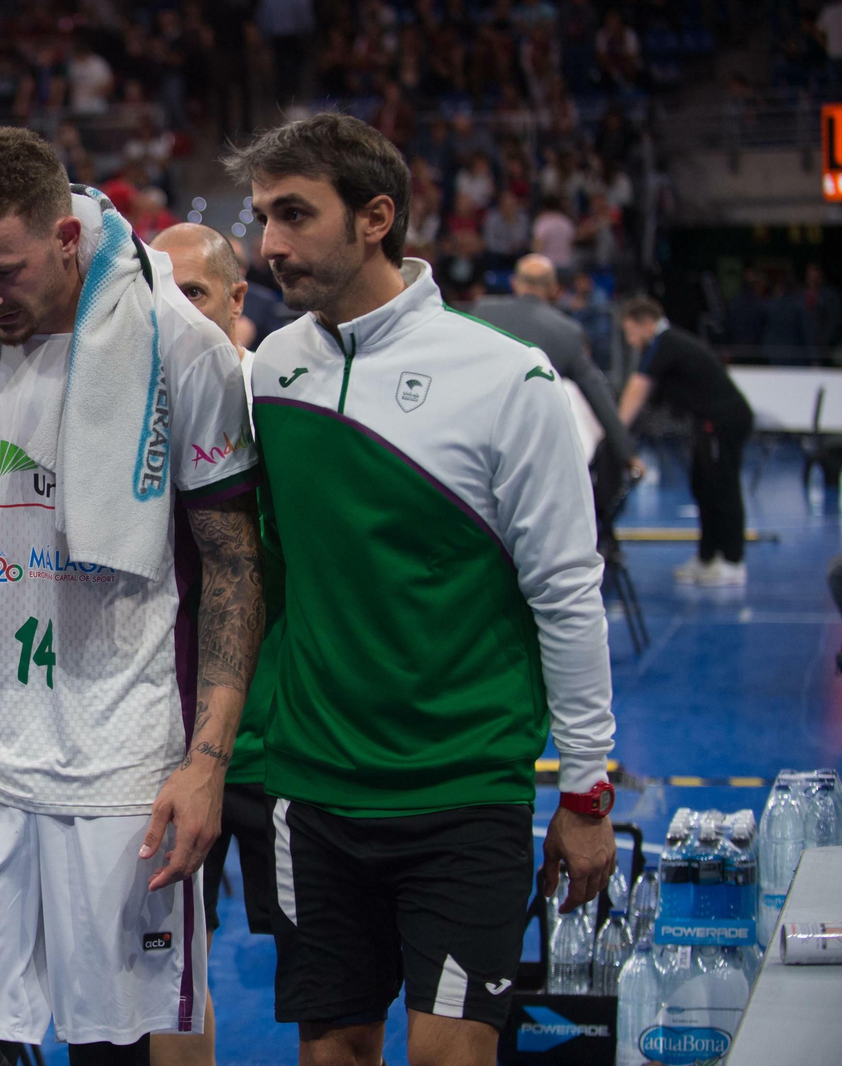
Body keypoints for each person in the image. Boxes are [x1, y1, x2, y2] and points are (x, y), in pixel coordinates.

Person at [0, 127, 264, 1066]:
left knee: (113, 1051)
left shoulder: (181, 348)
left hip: (121, 758)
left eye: (2, 271)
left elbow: (234, 565)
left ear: (67, 240)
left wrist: (207, 762)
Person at [229, 114, 617, 1066]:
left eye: (293, 214)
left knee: (450, 1056)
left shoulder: (505, 379)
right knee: (335, 1054)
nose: (269, 244)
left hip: (461, 790)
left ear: (376, 218)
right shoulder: (271, 372)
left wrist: (586, 791)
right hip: (312, 790)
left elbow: (566, 593)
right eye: (261, 217)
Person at [147, 223, 274, 1066]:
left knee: (334, 988)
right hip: (168, 733)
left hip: (281, 738)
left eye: (191, 294)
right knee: (170, 975)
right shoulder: (134, 411)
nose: (171, 312)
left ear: (238, 301)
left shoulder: (286, 398)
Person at [617, 297, 755, 587]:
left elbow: (637, 390)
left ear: (646, 324)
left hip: (722, 422)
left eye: (631, 332)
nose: (630, 341)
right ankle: (707, 556)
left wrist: (614, 431)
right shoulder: (663, 344)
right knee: (703, 486)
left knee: (722, 487)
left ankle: (732, 561)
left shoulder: (664, 344)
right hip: (706, 424)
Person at [471, 254, 640, 477]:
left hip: (476, 440)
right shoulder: (568, 331)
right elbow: (598, 396)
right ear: (553, 288)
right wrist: (628, 456)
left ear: (514, 282)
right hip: (532, 454)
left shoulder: (481, 312)